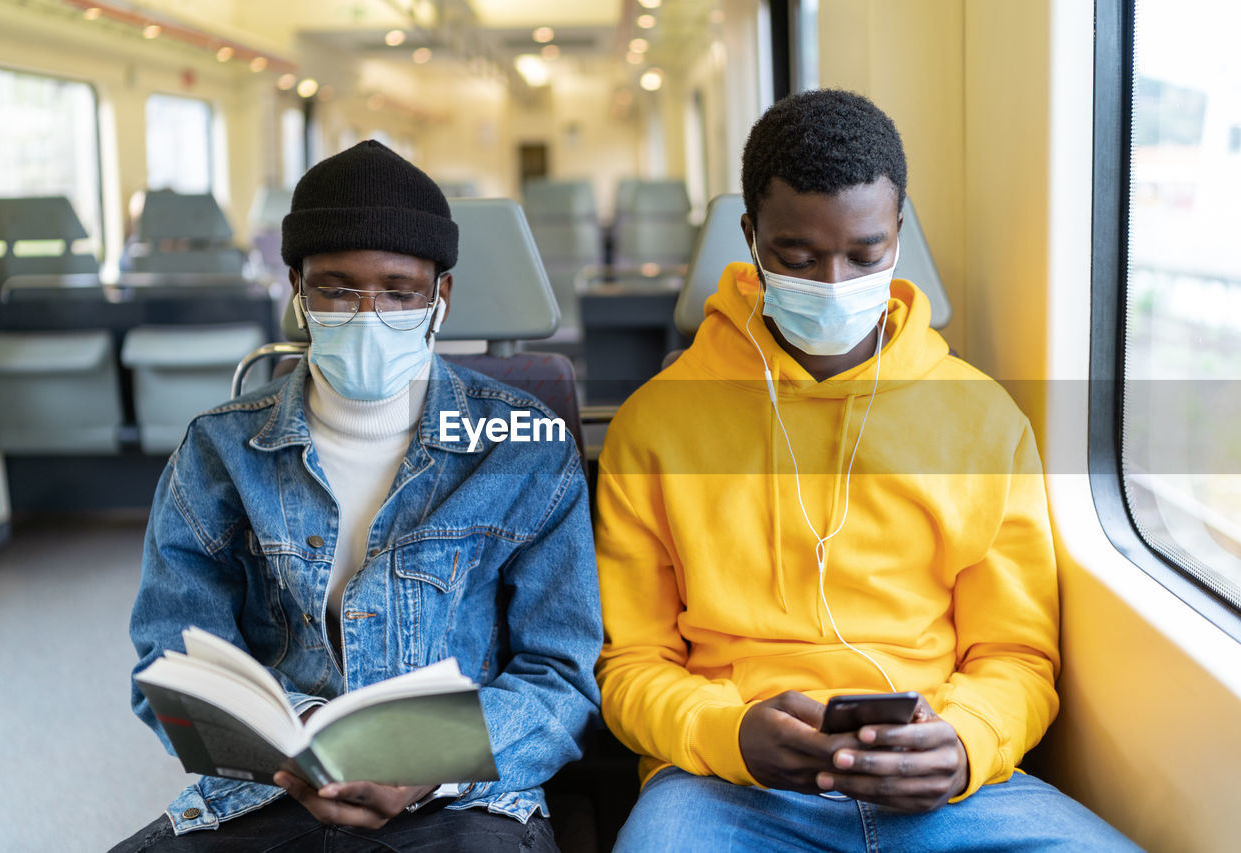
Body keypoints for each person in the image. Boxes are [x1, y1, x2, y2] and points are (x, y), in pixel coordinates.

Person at [593, 90, 1138, 851]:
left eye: (865, 253)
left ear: (899, 234)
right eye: (798, 256)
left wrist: (966, 742)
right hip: (727, 781)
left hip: (939, 779)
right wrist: (729, 731)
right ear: (751, 238)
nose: (835, 280)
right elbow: (631, 664)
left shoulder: (981, 420)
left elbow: (1014, 654)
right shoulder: (654, 425)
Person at [113, 140, 601, 852]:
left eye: (399, 291)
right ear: (297, 290)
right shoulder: (218, 453)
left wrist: (426, 761)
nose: (369, 315)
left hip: (462, 800)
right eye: (337, 289)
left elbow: (561, 679)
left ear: (442, 297)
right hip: (268, 796)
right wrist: (297, 738)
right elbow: (168, 659)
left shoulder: (524, 449)